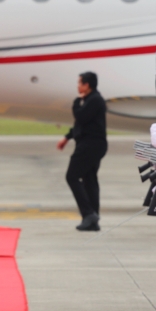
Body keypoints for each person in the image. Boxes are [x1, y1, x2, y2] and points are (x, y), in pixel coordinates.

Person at [58, 71, 108, 231]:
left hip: (91, 145)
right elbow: (81, 126)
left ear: (87, 85)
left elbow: (81, 117)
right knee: (89, 179)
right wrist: (67, 138)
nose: (78, 86)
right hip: (92, 144)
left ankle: (88, 213)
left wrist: (75, 104)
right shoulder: (89, 100)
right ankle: (92, 220)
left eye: (80, 83)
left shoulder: (94, 100)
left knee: (71, 176)